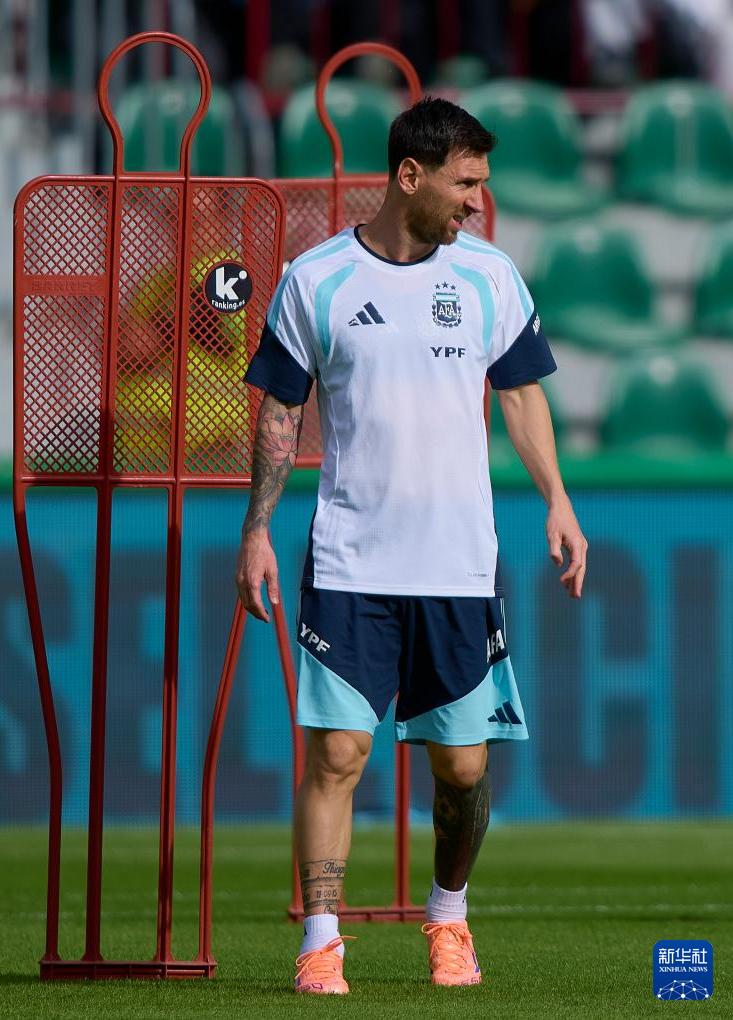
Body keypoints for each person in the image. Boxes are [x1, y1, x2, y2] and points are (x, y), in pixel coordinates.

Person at [235, 96, 587, 994]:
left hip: (459, 567)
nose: (476, 200)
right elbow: (280, 410)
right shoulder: (315, 279)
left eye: (482, 183)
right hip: (350, 563)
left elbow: (521, 394)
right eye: (465, 182)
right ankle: (320, 942)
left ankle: (449, 917)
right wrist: (258, 529)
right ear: (408, 175)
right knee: (337, 756)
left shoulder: (490, 277)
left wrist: (557, 499)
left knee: (463, 768)